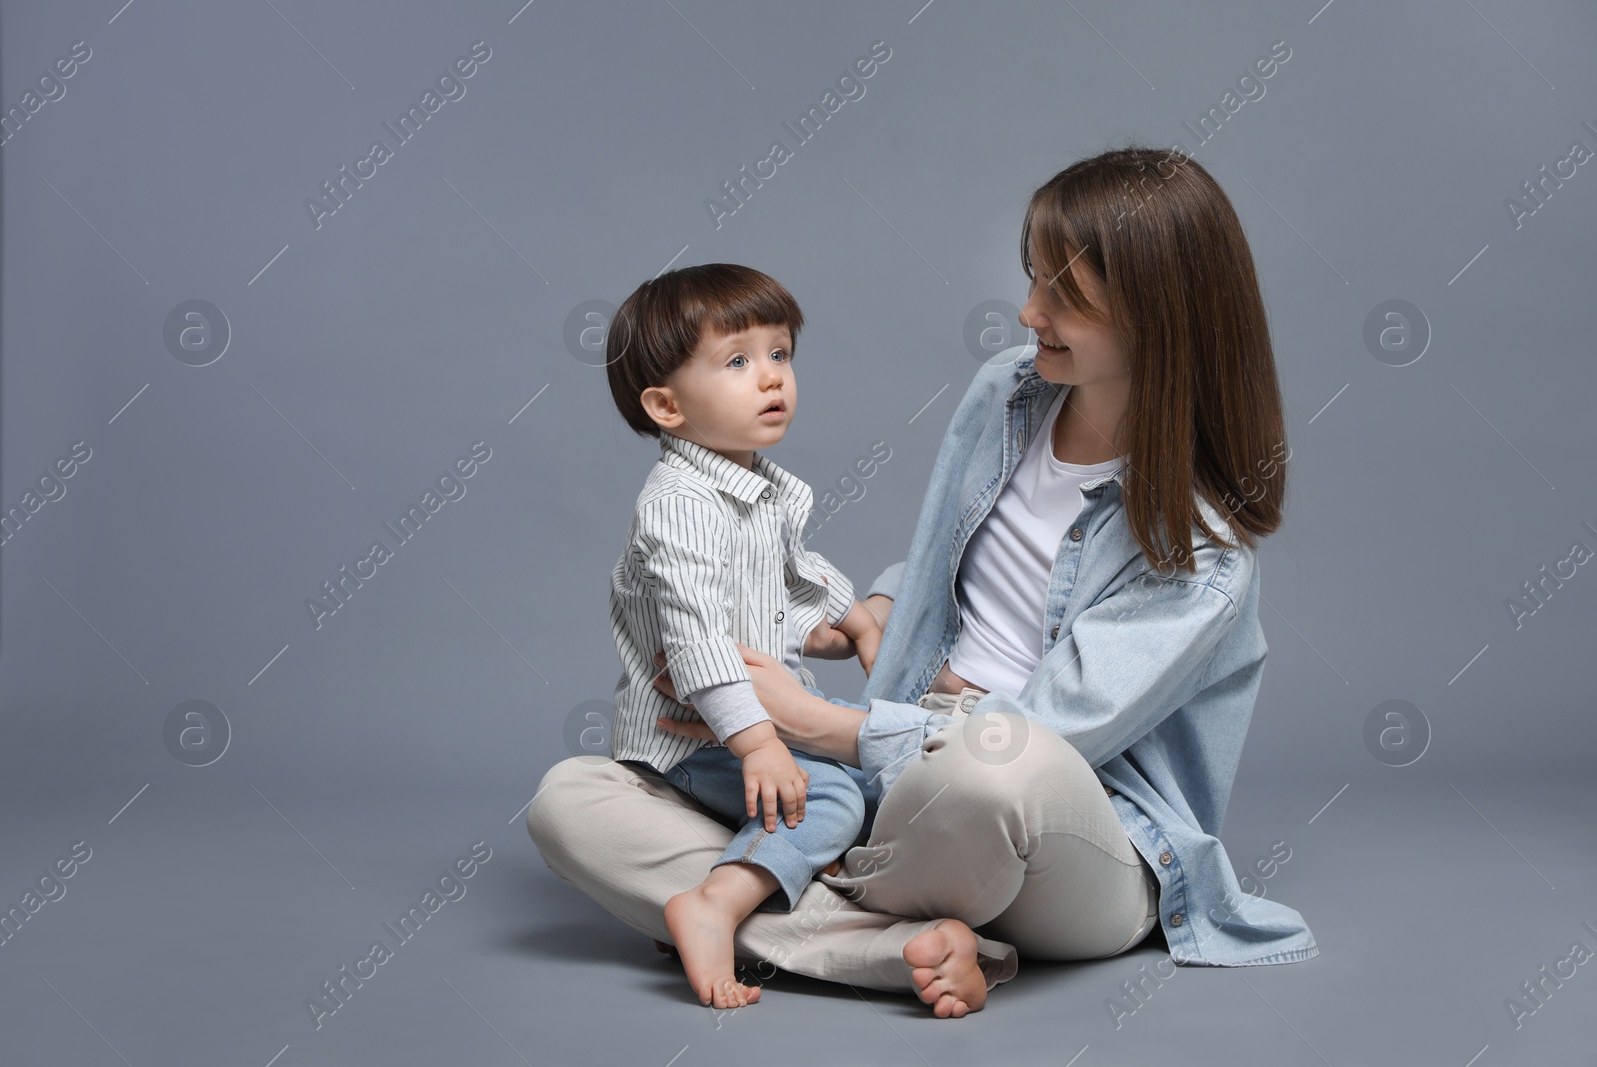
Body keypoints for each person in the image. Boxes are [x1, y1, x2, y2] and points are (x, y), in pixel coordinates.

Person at [529, 145, 1318, 1020]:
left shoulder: (1203, 549)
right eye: (1032, 278)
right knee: (572, 800)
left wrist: (813, 726)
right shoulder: (1007, 395)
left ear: (1157, 318)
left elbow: (1051, 732)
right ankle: (893, 942)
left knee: (992, 770)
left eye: (1066, 297)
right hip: (900, 769)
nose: (1028, 311)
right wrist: (872, 610)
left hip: (1057, 815)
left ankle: (780, 886)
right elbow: (956, 567)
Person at [599, 263, 885, 1009]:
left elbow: (784, 585)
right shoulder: (682, 505)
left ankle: (765, 877)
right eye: (737, 362)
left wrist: (846, 622)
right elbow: (696, 636)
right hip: (696, 736)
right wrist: (758, 742)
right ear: (666, 405)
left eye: (780, 354)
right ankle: (714, 905)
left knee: (874, 786)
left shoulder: (754, 488)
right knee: (825, 795)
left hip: (750, 720)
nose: (771, 379)